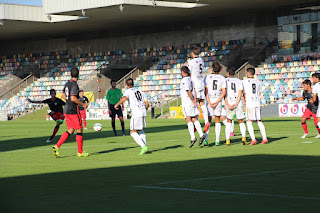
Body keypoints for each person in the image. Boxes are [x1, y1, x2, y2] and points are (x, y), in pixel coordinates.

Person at [52, 67, 89, 158]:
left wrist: (68, 101)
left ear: (70, 74)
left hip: (66, 110)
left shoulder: (67, 83)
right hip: (73, 110)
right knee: (79, 129)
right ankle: (80, 152)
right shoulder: (74, 85)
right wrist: (83, 105)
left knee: (71, 129)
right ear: (78, 75)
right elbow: (72, 98)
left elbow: (63, 95)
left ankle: (57, 146)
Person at [114, 78, 149, 155]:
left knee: (132, 131)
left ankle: (143, 146)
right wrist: (144, 110)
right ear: (133, 84)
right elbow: (147, 103)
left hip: (137, 112)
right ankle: (145, 146)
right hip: (143, 111)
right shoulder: (140, 91)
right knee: (140, 129)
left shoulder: (128, 91)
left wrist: (117, 104)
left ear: (126, 85)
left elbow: (124, 98)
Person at [179, 66, 206, 148]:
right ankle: (201, 134)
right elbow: (194, 89)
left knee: (188, 119)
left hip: (187, 102)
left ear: (183, 72)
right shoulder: (191, 79)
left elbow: (188, 91)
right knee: (194, 118)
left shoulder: (184, 80)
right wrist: (194, 100)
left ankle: (193, 137)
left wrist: (192, 99)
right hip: (191, 102)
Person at [243, 68, 268, 145]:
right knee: (259, 121)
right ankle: (264, 138)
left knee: (249, 121)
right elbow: (259, 92)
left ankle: (253, 139)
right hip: (257, 102)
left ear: (248, 73)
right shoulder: (258, 82)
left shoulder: (244, 82)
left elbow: (244, 93)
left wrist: (244, 104)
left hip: (250, 103)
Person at [187, 46, 210, 132]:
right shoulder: (201, 60)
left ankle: (196, 124)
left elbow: (189, 72)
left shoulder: (191, 62)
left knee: (194, 102)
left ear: (192, 53)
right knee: (202, 102)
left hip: (195, 82)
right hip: (201, 81)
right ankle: (206, 121)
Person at [204, 62, 226, 146]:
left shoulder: (207, 77)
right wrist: (217, 101)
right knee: (217, 120)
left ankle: (206, 139)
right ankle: (217, 140)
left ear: (212, 69)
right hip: (218, 100)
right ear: (220, 69)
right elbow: (224, 92)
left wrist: (209, 101)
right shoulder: (222, 78)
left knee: (208, 121)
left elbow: (205, 91)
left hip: (209, 100)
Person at [225, 67, 246, 145]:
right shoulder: (239, 81)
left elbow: (224, 93)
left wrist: (227, 104)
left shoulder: (225, 81)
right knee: (241, 121)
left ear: (227, 73)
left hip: (230, 101)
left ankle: (227, 139)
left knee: (229, 121)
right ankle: (243, 137)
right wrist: (237, 103)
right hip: (238, 102)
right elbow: (240, 92)